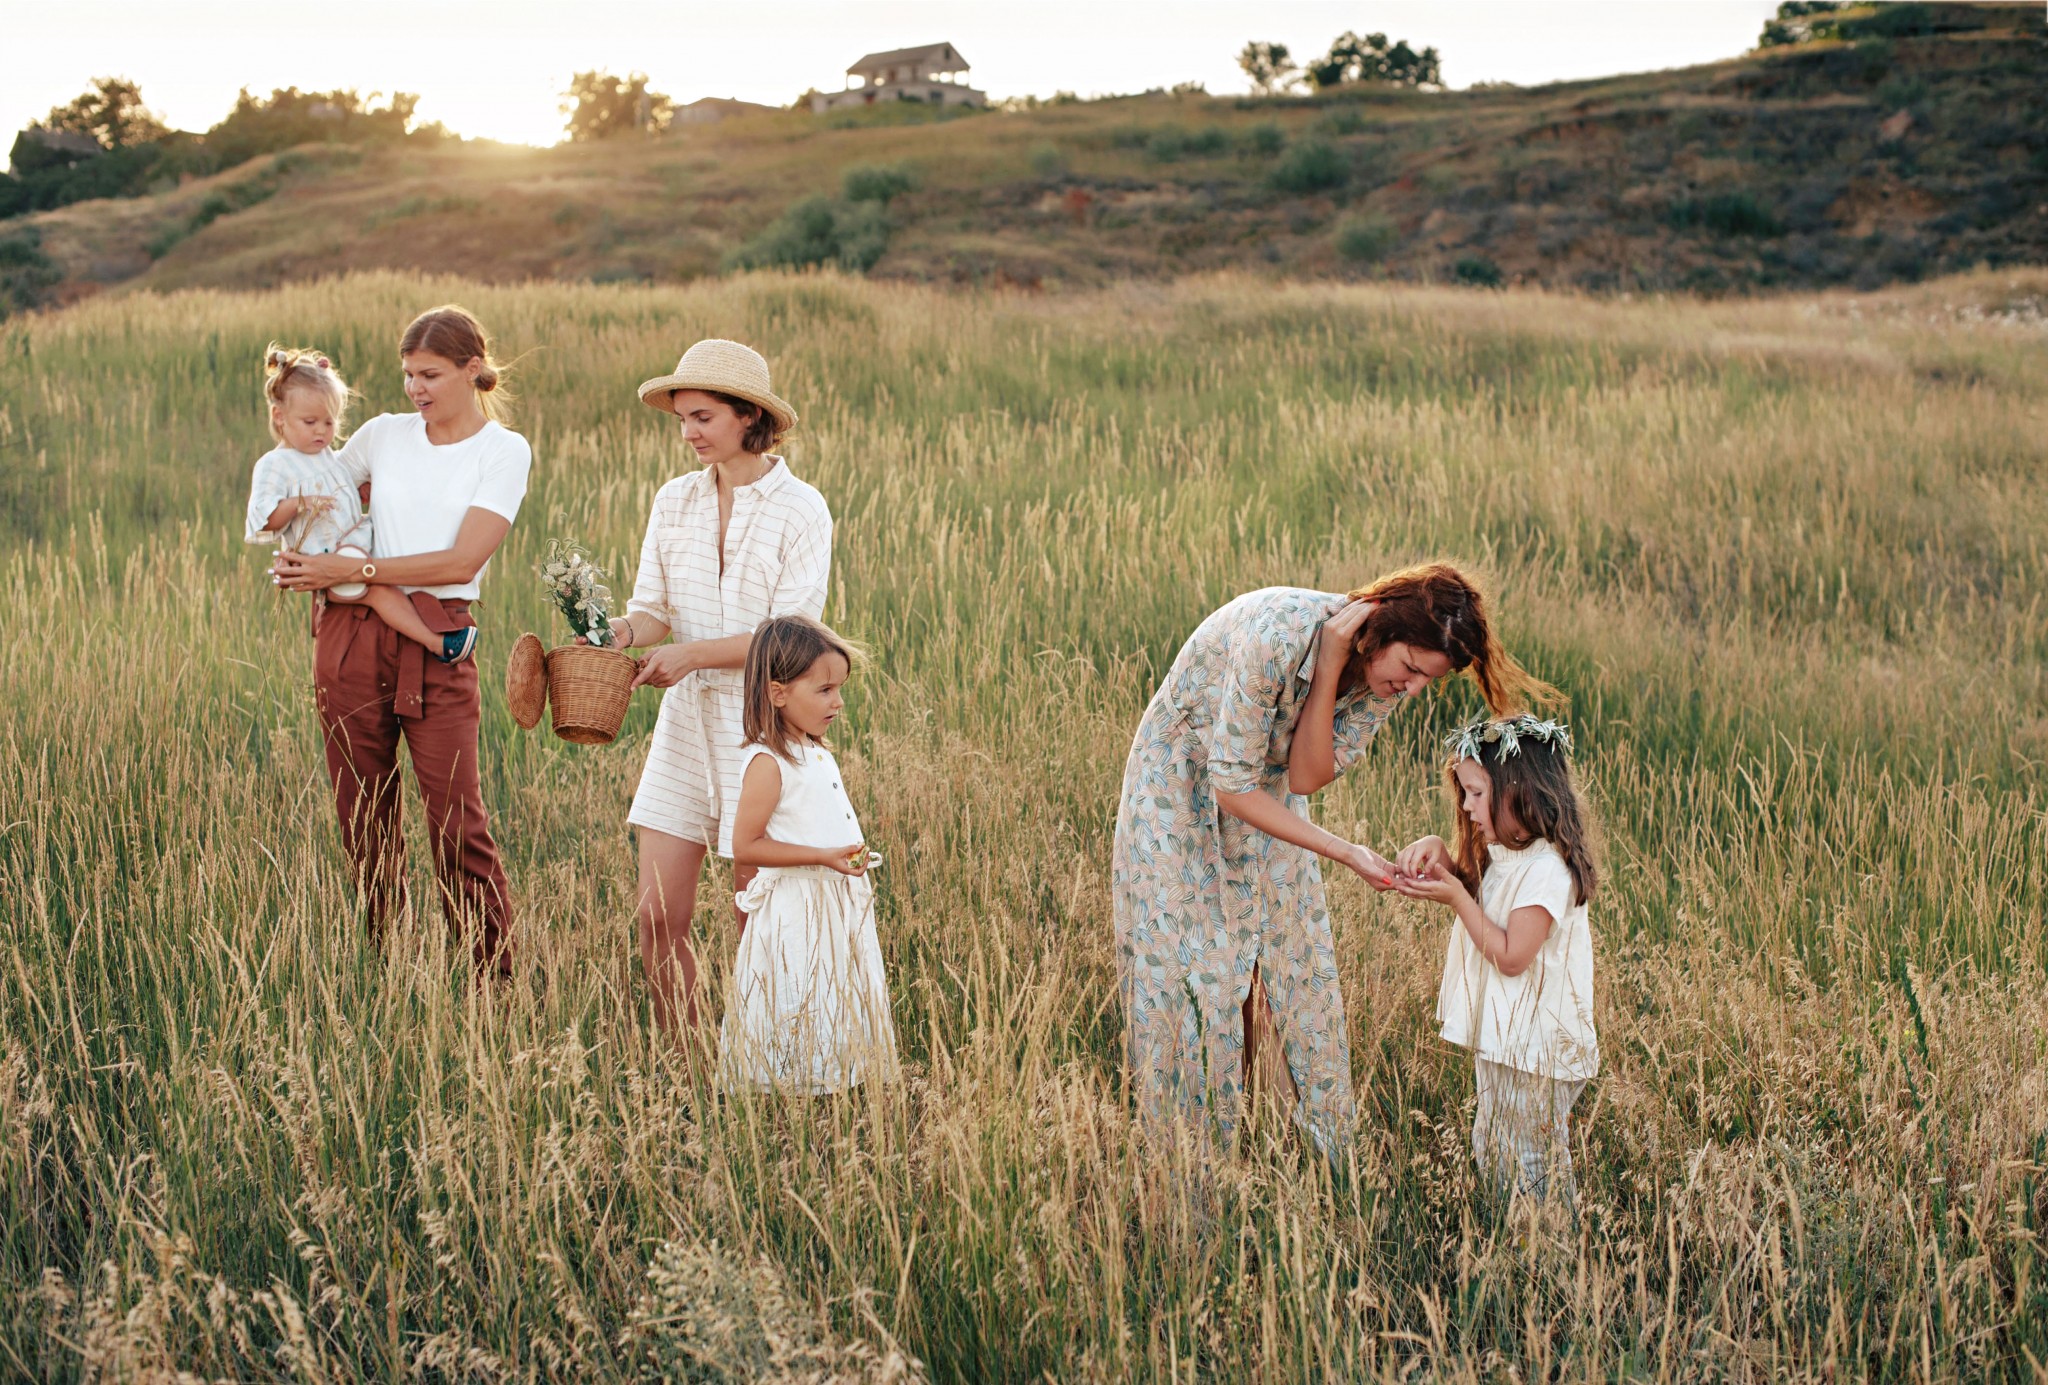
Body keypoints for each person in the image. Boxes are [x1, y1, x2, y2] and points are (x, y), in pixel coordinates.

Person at [1112, 563, 1554, 1158]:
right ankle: (1192, 1159)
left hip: (1268, 797)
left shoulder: (1381, 677)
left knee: (1287, 961)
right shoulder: (1275, 635)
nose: (1412, 689)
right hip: (1180, 791)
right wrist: (1346, 851)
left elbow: (1305, 775)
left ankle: (1301, 1157)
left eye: (1427, 680)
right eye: (1412, 669)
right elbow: (1231, 787)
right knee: (1194, 970)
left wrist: (1327, 675)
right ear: (1386, 631)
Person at [271, 305, 529, 975]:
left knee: (459, 827)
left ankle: (493, 987)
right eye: (408, 373)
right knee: (364, 823)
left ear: (473, 370)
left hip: (438, 638)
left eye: (431, 375)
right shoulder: (383, 434)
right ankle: (391, 973)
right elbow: (314, 485)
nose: (416, 388)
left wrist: (354, 571)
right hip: (350, 638)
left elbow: (462, 560)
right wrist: (301, 392)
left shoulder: (503, 451)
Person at [598, 339, 831, 1034]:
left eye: (702, 417)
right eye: (682, 419)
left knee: (754, 920)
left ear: (748, 414)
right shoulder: (673, 501)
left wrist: (691, 656)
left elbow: (790, 638)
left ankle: (765, 1069)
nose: (688, 434)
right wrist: (616, 633)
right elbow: (652, 610)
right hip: (685, 729)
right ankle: (687, 1068)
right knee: (656, 916)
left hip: (765, 735)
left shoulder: (802, 509)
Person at [1394, 714, 1601, 1207]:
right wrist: (1443, 859)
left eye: (1476, 793)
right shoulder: (1508, 856)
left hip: (1538, 1048)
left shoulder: (1547, 870)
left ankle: (1548, 1244)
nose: (1466, 806)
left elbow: (1510, 956)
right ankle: (1511, 1238)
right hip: (1508, 1040)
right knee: (1493, 1142)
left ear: (1518, 792)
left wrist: (1455, 899)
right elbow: (1484, 904)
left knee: (1528, 1156)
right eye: (1464, 793)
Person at [719, 615, 896, 1092]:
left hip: (834, 903)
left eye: (839, 689)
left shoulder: (815, 751)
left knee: (836, 999)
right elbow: (745, 845)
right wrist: (821, 856)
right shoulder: (768, 762)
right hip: (799, 907)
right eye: (824, 690)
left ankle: (837, 1088)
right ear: (778, 693)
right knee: (802, 998)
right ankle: (795, 1097)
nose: (838, 702)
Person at [245, 344, 475, 663]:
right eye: (310, 422)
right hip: (326, 561)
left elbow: (338, 487)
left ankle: (434, 627)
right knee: (379, 593)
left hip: (352, 550)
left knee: (394, 567)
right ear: (279, 417)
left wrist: (357, 490)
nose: (321, 431)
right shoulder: (276, 464)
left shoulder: (324, 456)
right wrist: (299, 503)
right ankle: (438, 644)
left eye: (329, 423)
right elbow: (264, 518)